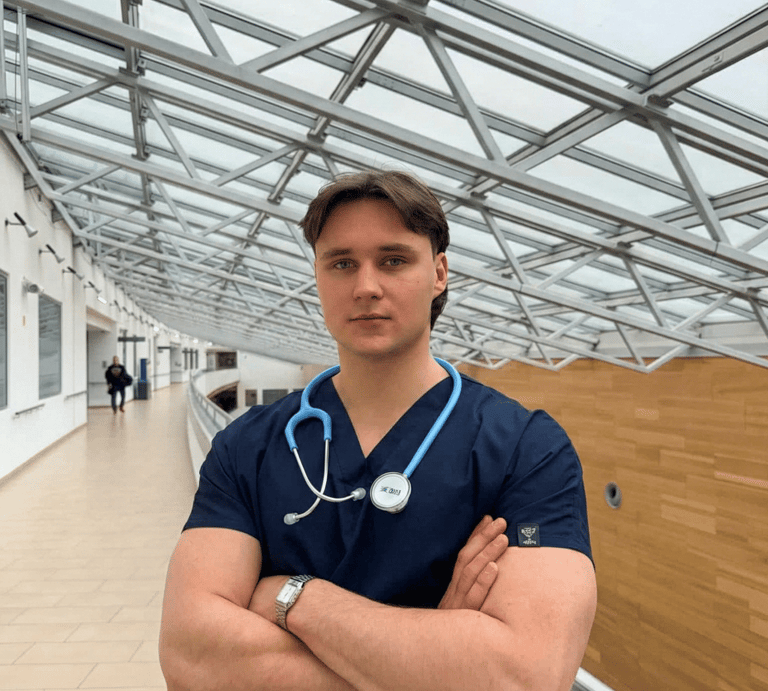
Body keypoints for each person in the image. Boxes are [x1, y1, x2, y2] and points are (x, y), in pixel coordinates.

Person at [159, 170, 597, 691]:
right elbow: (191, 657)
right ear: (318, 276)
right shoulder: (247, 446)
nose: (366, 287)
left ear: (439, 274)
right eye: (342, 263)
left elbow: (525, 674)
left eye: (393, 260)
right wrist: (432, 663)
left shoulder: (526, 450)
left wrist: (293, 598)